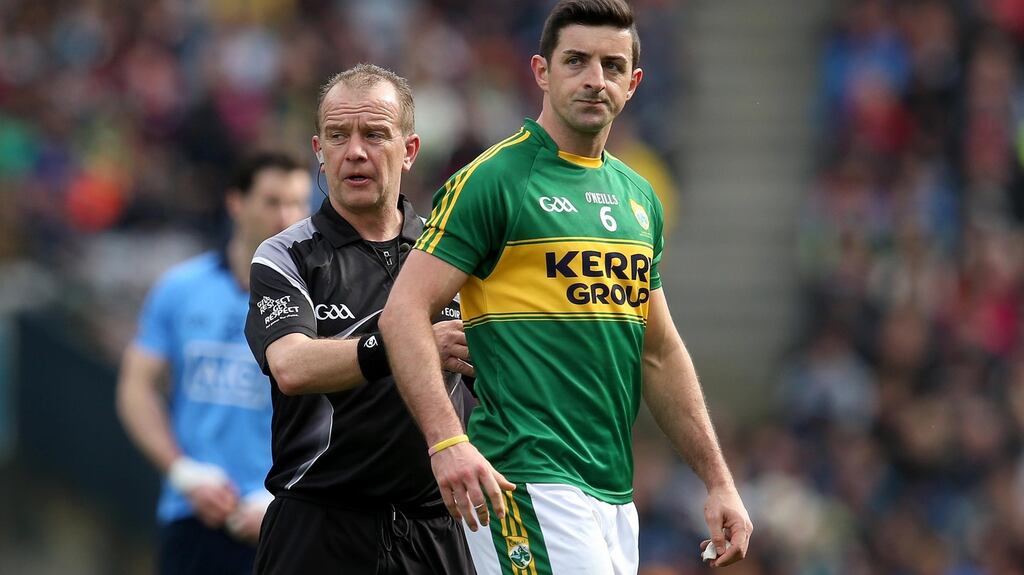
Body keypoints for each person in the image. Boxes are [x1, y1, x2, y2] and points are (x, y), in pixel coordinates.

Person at [378, 0, 753, 573]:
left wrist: (718, 481)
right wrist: (447, 441)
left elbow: (658, 352)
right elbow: (403, 312)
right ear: (541, 71)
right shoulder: (493, 181)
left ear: (634, 83)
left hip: (612, 495)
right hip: (523, 481)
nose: (594, 79)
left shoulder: (640, 198)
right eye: (576, 60)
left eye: (611, 65)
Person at [243, 64, 477, 574]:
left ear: (409, 150)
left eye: (374, 134)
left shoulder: (455, 255)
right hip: (319, 529)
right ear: (319, 153)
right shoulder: (286, 255)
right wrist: (407, 345)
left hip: (437, 532)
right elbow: (292, 366)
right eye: (338, 136)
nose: (355, 151)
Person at [116, 151, 311, 575]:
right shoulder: (181, 288)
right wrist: (183, 473)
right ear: (236, 202)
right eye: (273, 201)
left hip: (284, 519)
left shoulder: (320, 301)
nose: (287, 216)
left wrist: (286, 499)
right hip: (194, 516)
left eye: (297, 203)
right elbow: (136, 386)